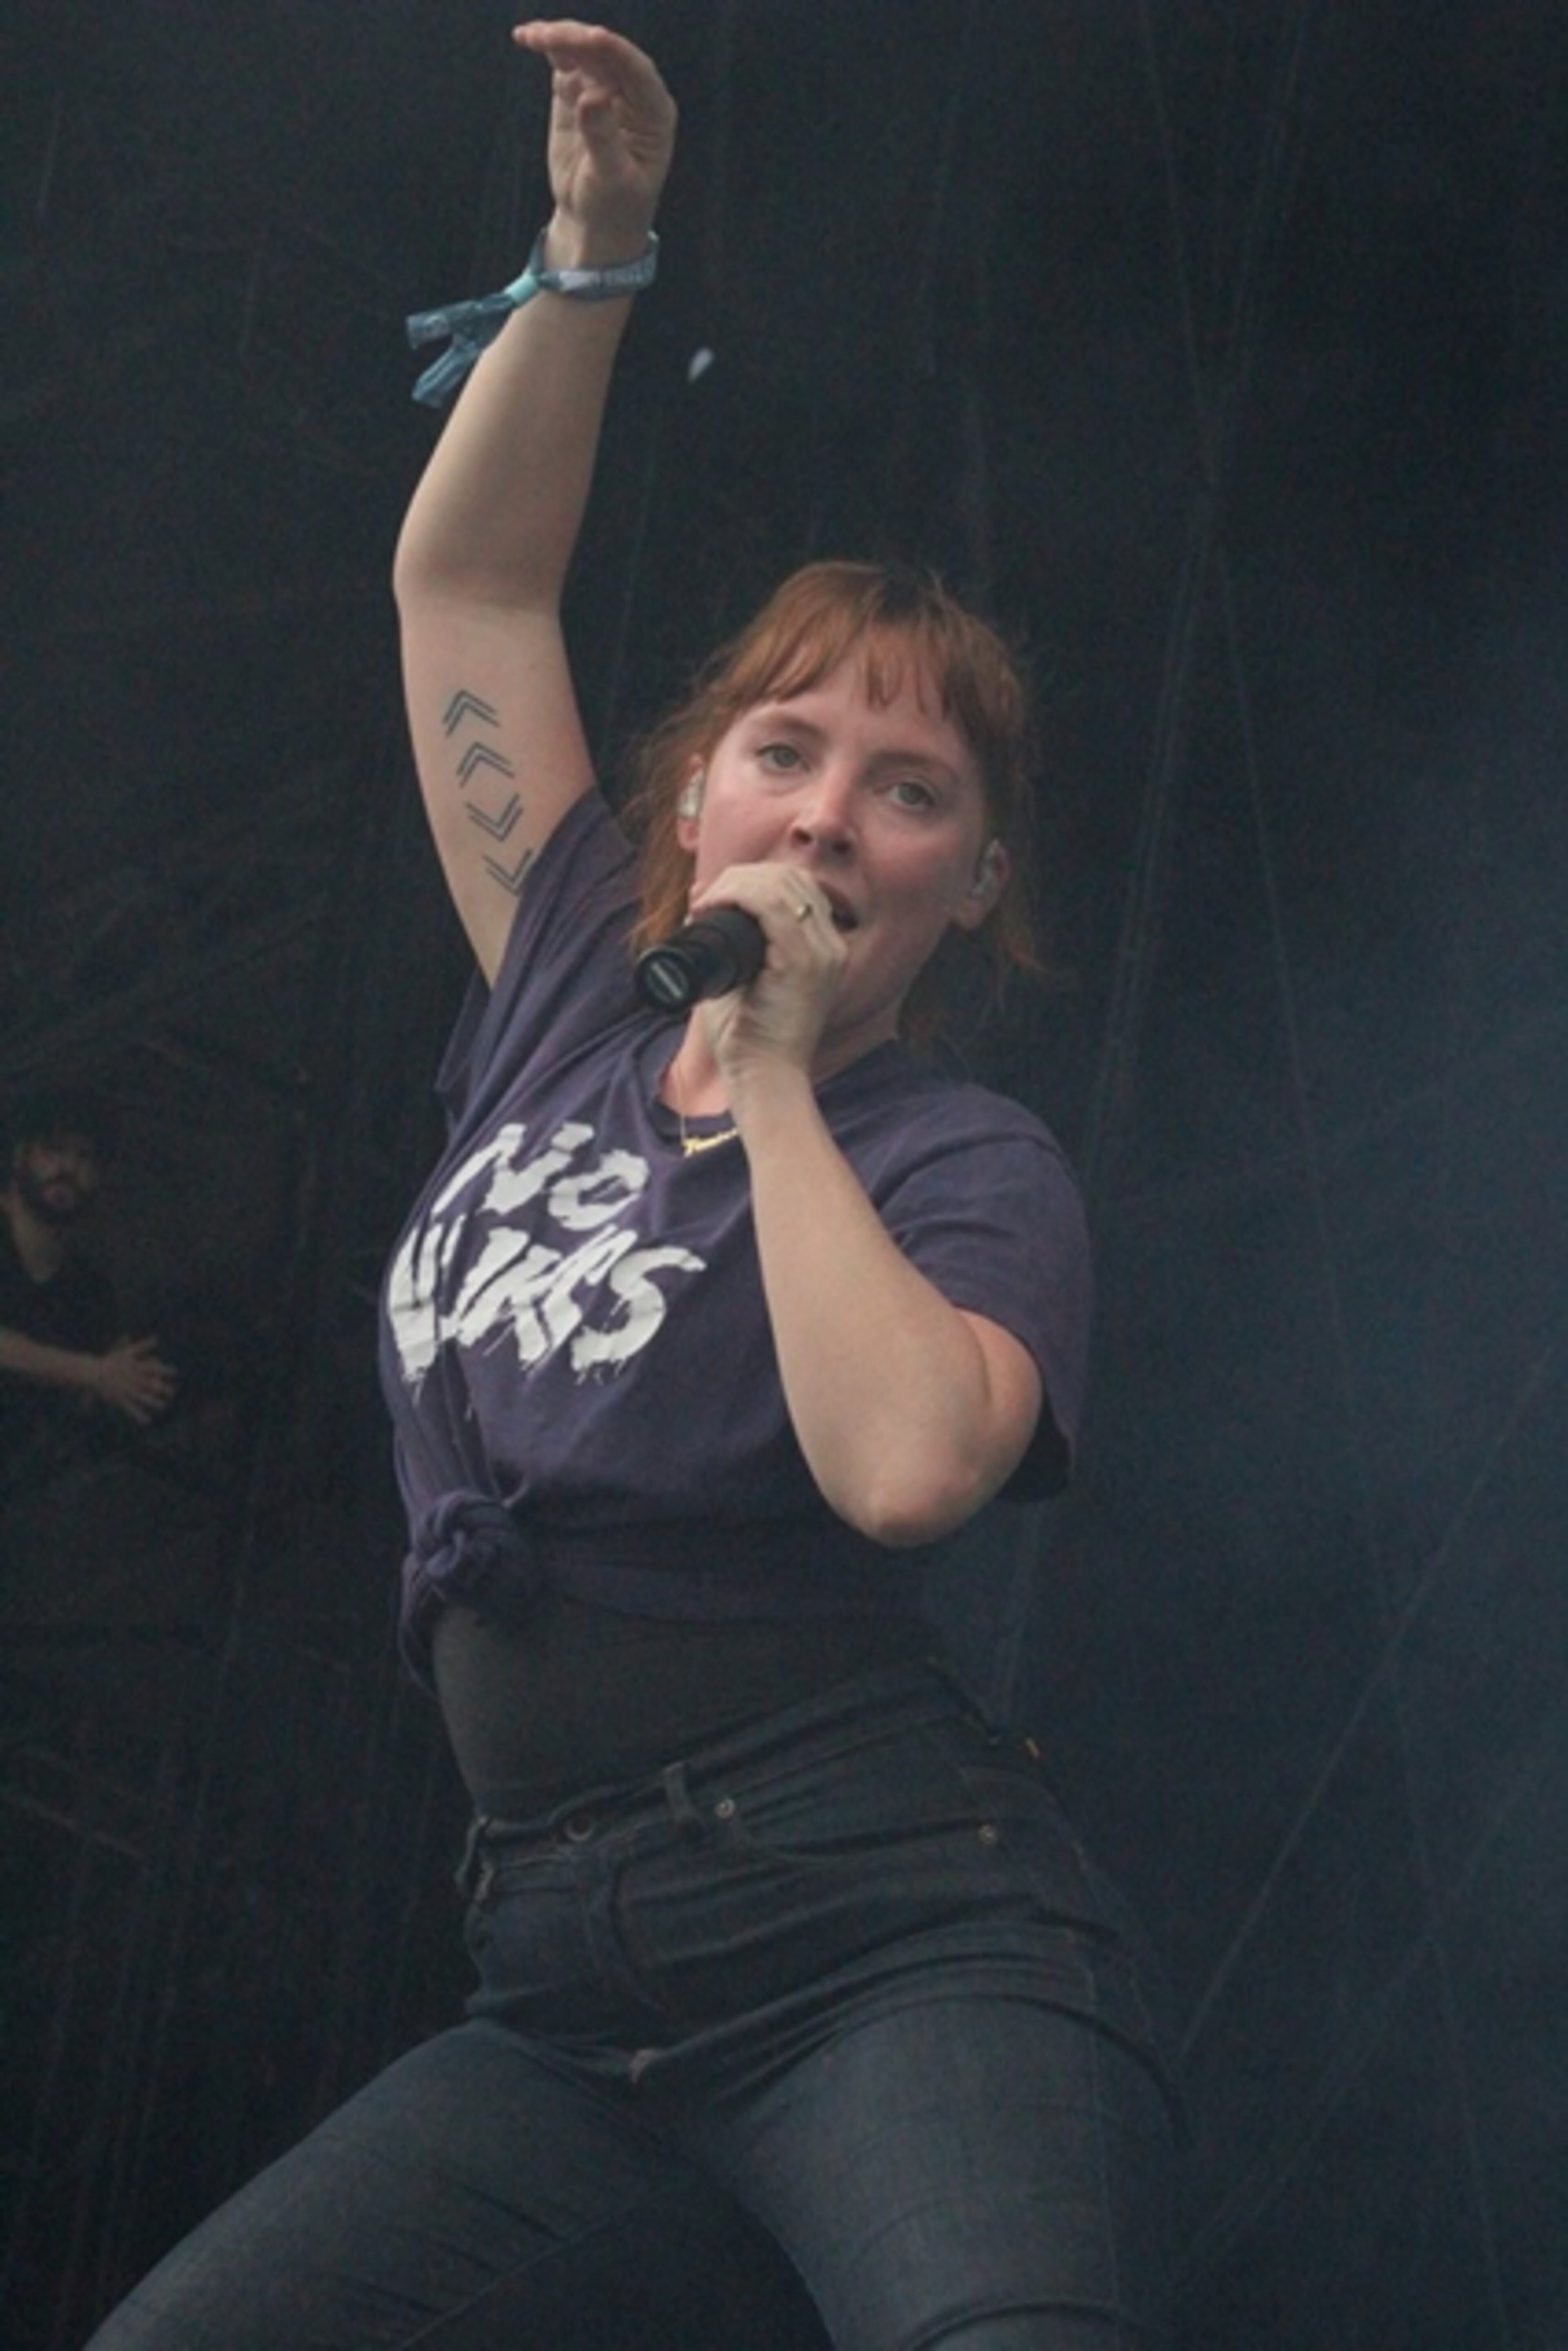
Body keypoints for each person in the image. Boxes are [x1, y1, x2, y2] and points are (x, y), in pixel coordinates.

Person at [85, 21, 1177, 2349]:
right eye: (782, 748)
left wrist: (775, 1081)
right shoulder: (563, 993)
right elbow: (467, 596)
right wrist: (589, 255)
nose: (823, 810)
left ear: (962, 886)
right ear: (687, 802)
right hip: (565, 1989)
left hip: (889, 1933)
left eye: (903, 789)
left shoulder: (955, 1159)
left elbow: (902, 1469)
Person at [0, 1084, 176, 1492]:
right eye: (54, 1149)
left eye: (85, 1157)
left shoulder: (88, 1289)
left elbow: (109, 1378)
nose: (68, 1168)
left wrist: (125, 1380)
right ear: (20, 1156)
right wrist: (90, 1373)